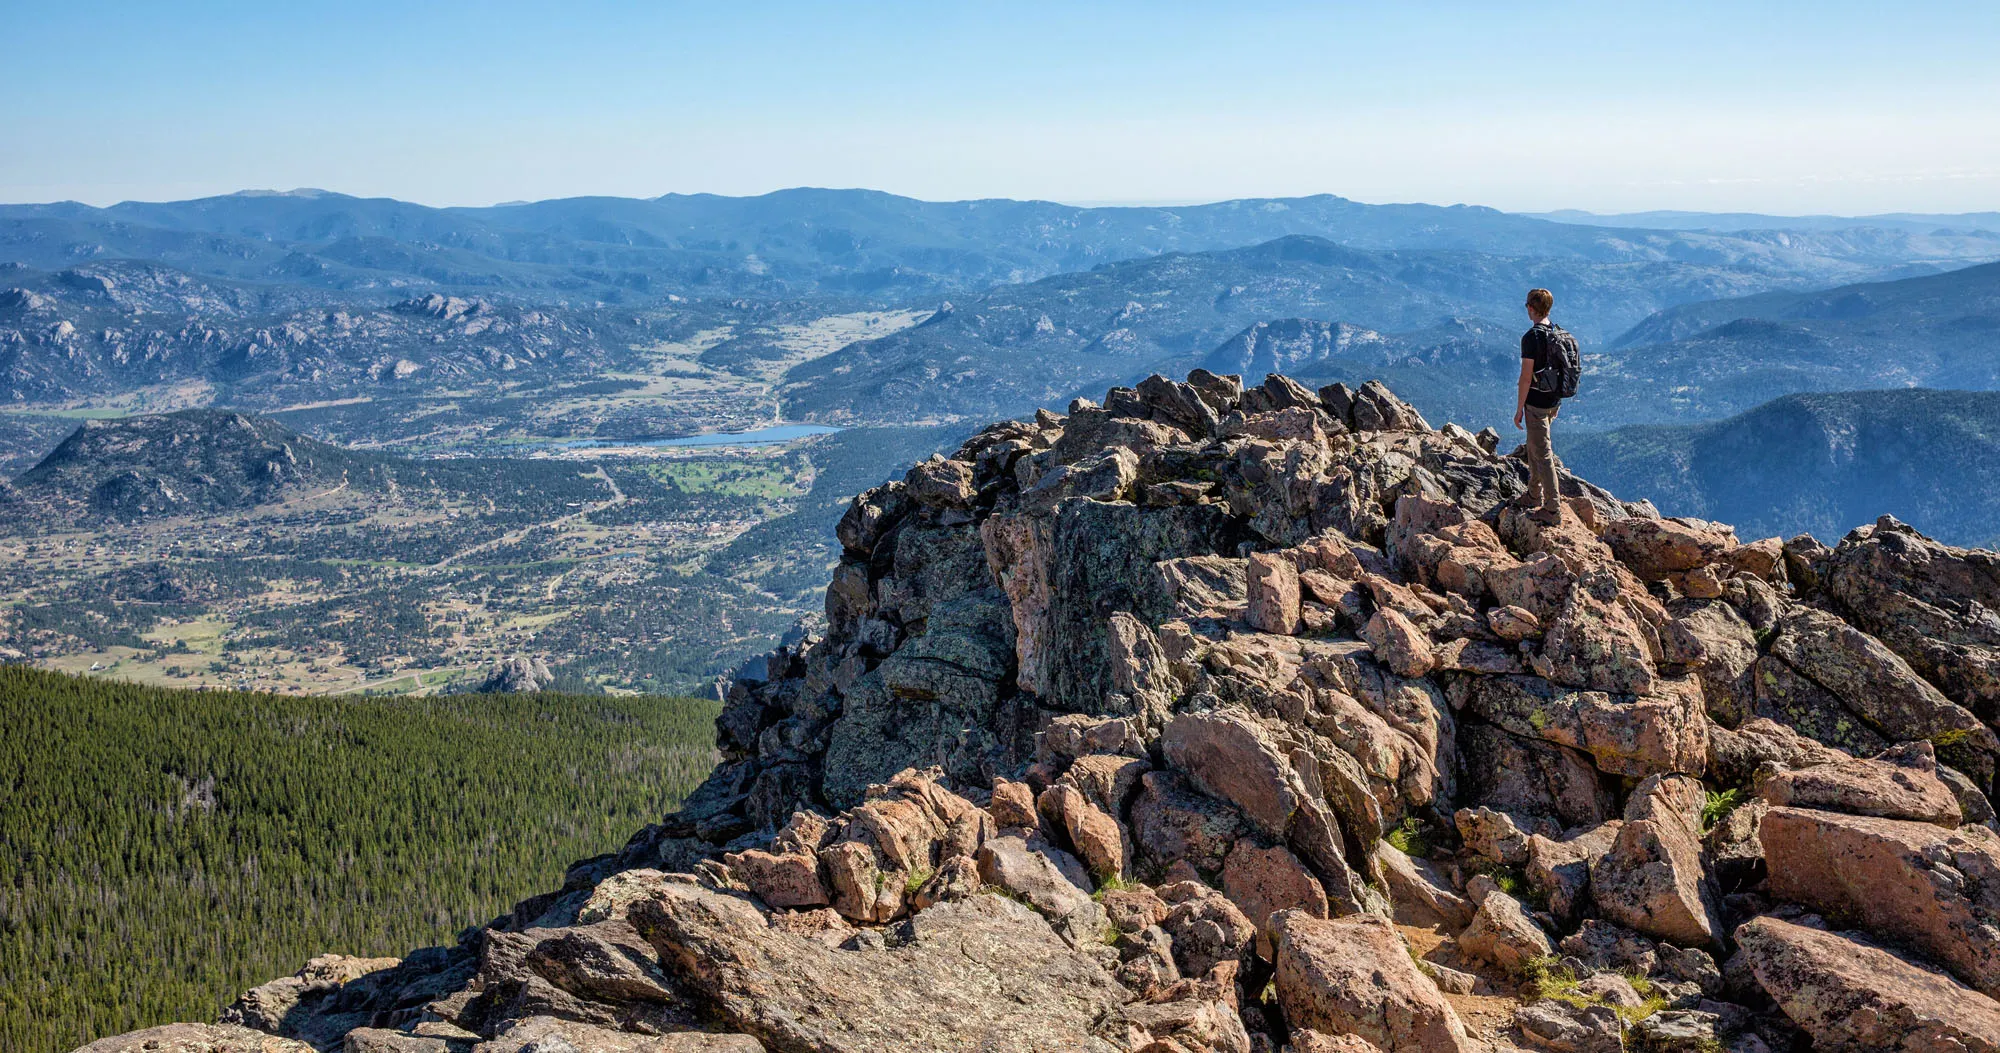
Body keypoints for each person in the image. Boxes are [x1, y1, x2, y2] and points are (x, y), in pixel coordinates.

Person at [1515, 287, 1565, 522]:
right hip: (1553, 401)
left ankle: (1552, 509)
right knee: (1535, 447)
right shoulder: (1556, 332)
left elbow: (1526, 377)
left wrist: (1519, 409)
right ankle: (1534, 494)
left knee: (1543, 454)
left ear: (1531, 308)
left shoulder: (1531, 337)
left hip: (1536, 402)